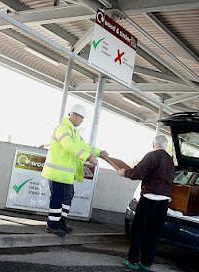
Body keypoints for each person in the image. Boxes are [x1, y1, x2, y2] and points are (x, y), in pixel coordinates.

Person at [42, 104, 108, 237]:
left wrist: (99, 152)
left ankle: (61, 222)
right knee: (57, 199)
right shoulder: (63, 129)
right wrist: (87, 157)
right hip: (57, 174)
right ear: (74, 115)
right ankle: (52, 225)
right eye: (81, 117)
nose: (82, 120)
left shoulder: (74, 131)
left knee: (67, 198)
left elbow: (84, 146)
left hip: (66, 175)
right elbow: (69, 146)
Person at [118, 135, 175, 271]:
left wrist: (124, 172)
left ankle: (133, 261)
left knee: (138, 230)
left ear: (153, 144)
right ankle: (146, 264)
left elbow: (138, 173)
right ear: (166, 146)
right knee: (154, 233)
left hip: (149, 198)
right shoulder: (170, 160)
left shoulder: (151, 156)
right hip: (164, 201)